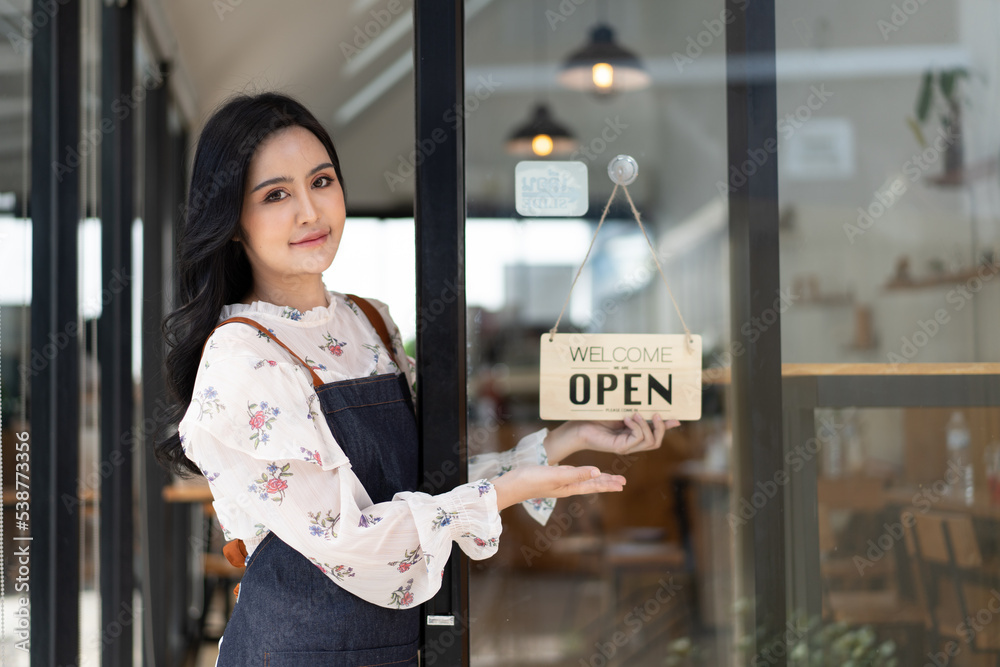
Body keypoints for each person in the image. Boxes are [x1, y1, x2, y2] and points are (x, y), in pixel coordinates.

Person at [157, 92, 678, 666]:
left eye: (322, 181)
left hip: (397, 648)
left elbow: (425, 494)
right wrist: (506, 492)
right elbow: (351, 537)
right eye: (276, 195)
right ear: (232, 221)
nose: (310, 211)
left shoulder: (369, 321)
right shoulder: (241, 356)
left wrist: (566, 438)